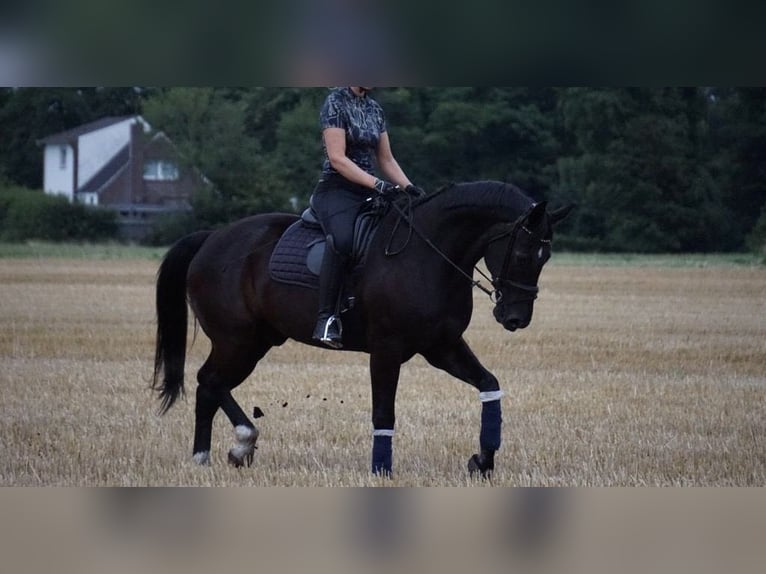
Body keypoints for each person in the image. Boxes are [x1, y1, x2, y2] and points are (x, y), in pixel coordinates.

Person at [310, 86, 424, 348]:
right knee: (343, 240)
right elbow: (337, 159)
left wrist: (410, 189)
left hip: (368, 190)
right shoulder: (335, 102)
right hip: (335, 190)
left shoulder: (375, 109)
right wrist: (378, 184)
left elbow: (386, 160)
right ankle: (326, 319)